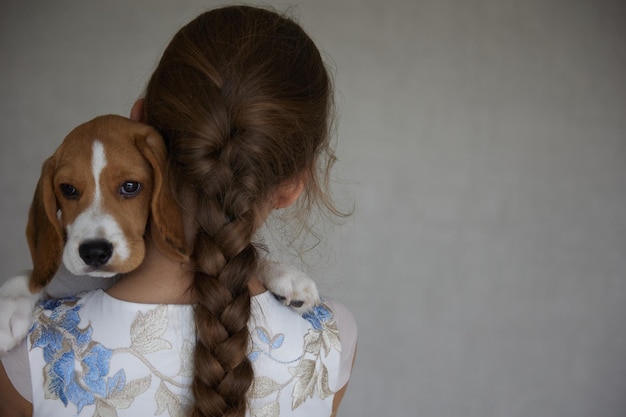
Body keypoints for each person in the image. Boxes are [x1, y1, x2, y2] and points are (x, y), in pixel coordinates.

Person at [0, 5, 357, 417]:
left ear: (141, 122)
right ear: (295, 184)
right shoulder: (334, 337)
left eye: (128, 187)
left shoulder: (26, 354)